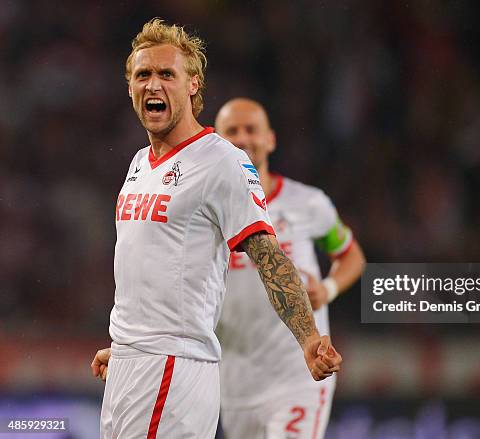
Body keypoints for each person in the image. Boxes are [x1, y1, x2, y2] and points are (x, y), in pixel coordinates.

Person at [91, 19, 341, 439]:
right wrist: (129, 345)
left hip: (172, 368)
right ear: (130, 87)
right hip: (134, 366)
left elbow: (268, 255)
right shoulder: (138, 164)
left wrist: (308, 338)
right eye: (142, 75)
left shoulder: (221, 160)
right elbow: (153, 264)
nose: (153, 84)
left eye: (166, 74)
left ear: (193, 85)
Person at [215, 98, 365, 439]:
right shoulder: (208, 214)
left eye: (251, 129)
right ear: (217, 143)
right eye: (232, 131)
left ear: (270, 139)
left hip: (298, 374)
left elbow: (351, 255)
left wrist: (327, 289)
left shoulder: (307, 203)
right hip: (234, 383)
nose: (242, 138)